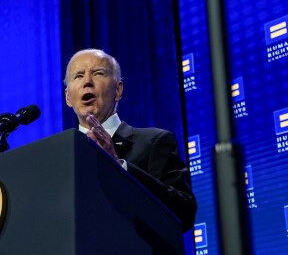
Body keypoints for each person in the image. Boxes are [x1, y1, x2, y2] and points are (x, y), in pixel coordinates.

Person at [63, 48, 196, 231]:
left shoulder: (155, 141)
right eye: (78, 76)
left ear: (118, 90)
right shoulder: (61, 159)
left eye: (98, 73)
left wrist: (118, 167)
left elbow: (184, 213)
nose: (87, 82)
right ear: (68, 97)